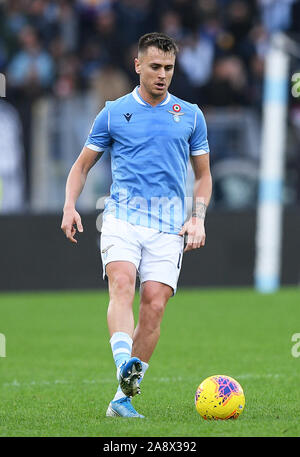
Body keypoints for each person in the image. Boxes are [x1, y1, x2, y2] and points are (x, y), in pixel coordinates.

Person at [61, 32, 212, 418]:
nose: (162, 75)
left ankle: (122, 399)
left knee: (155, 307)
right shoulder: (113, 112)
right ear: (138, 66)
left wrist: (198, 217)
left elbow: (203, 176)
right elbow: (81, 166)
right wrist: (69, 205)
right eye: (156, 67)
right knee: (123, 284)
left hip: (168, 226)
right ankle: (124, 363)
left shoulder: (191, 115)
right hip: (122, 218)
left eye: (169, 68)